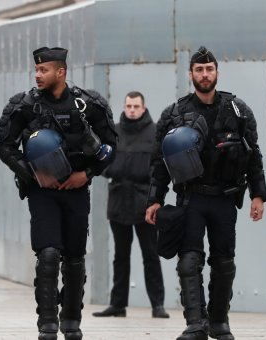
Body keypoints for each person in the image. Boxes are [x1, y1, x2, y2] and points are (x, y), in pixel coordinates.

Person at [145, 46, 266, 340]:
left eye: (209, 69)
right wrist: (155, 199)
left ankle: (219, 321)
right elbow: (158, 161)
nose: (204, 74)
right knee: (189, 261)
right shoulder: (174, 114)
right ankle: (195, 323)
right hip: (191, 197)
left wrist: (257, 195)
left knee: (224, 261)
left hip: (225, 198)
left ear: (217, 73)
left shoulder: (238, 111)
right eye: (199, 70)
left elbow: (253, 155)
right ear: (191, 75)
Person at [0, 47, 117, 340]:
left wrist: (85, 175)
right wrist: (34, 175)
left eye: (44, 71)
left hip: (76, 191)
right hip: (42, 193)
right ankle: (47, 322)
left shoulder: (88, 104)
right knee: (48, 254)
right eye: (36, 70)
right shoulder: (24, 105)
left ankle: (72, 320)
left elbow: (111, 147)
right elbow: (5, 147)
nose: (37, 75)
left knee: (74, 257)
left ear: (60, 72)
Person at [92, 91, 169, 319]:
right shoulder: (113, 130)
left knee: (150, 255)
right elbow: (102, 160)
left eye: (136, 106)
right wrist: (113, 170)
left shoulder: (154, 132)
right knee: (120, 256)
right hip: (119, 200)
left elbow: (159, 166)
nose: (132, 110)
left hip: (145, 202)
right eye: (128, 106)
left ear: (143, 108)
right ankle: (118, 305)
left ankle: (158, 305)